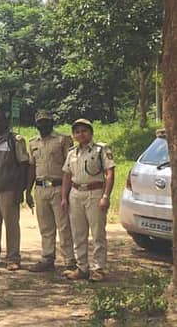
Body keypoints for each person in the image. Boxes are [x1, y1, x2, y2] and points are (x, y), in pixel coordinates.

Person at [62, 119, 115, 282]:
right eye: (77, 131)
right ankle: (82, 267)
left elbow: (110, 173)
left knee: (97, 233)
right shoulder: (72, 152)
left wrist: (105, 196)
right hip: (76, 193)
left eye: (84, 130)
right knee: (78, 233)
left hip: (95, 193)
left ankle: (98, 269)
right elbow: (67, 175)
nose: (81, 134)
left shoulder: (101, 150)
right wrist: (64, 197)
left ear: (91, 132)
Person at [27, 110, 77, 273]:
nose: (43, 124)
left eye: (46, 121)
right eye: (40, 122)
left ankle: (69, 260)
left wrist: (66, 191)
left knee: (63, 225)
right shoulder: (33, 142)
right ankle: (47, 258)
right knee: (45, 226)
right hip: (41, 188)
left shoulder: (62, 140)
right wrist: (28, 190)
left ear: (52, 122)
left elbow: (69, 167)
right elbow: (32, 167)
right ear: (36, 124)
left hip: (58, 186)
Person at [0, 110, 30, 271]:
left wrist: (21, 190)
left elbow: (24, 165)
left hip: (9, 189)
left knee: (11, 225)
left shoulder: (15, 140)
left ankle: (13, 258)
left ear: (6, 122)